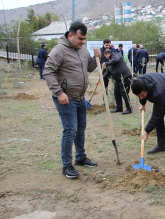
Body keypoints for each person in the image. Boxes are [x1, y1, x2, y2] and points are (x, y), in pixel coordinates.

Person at [43, 22, 101, 179]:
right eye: (80, 38)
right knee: (70, 130)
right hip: (65, 98)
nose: (83, 42)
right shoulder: (59, 50)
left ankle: (81, 158)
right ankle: (67, 166)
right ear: (70, 35)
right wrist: (59, 92)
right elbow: (47, 72)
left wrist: (96, 58)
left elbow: (88, 67)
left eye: (85, 39)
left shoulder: (82, 50)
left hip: (80, 97)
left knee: (80, 129)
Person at [131, 73, 165, 167]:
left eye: (142, 95)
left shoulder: (157, 92)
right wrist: (143, 103)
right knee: (158, 121)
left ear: (146, 89)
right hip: (164, 91)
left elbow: (157, 114)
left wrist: (146, 131)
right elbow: (141, 95)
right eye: (139, 96)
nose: (141, 97)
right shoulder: (140, 82)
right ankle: (161, 146)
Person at [102, 49, 132, 115]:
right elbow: (107, 73)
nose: (106, 58)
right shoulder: (110, 62)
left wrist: (106, 63)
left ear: (108, 54)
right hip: (118, 79)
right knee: (116, 92)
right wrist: (101, 78)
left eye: (106, 56)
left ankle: (129, 108)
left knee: (124, 92)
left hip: (125, 76)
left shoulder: (116, 55)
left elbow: (116, 60)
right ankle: (119, 108)